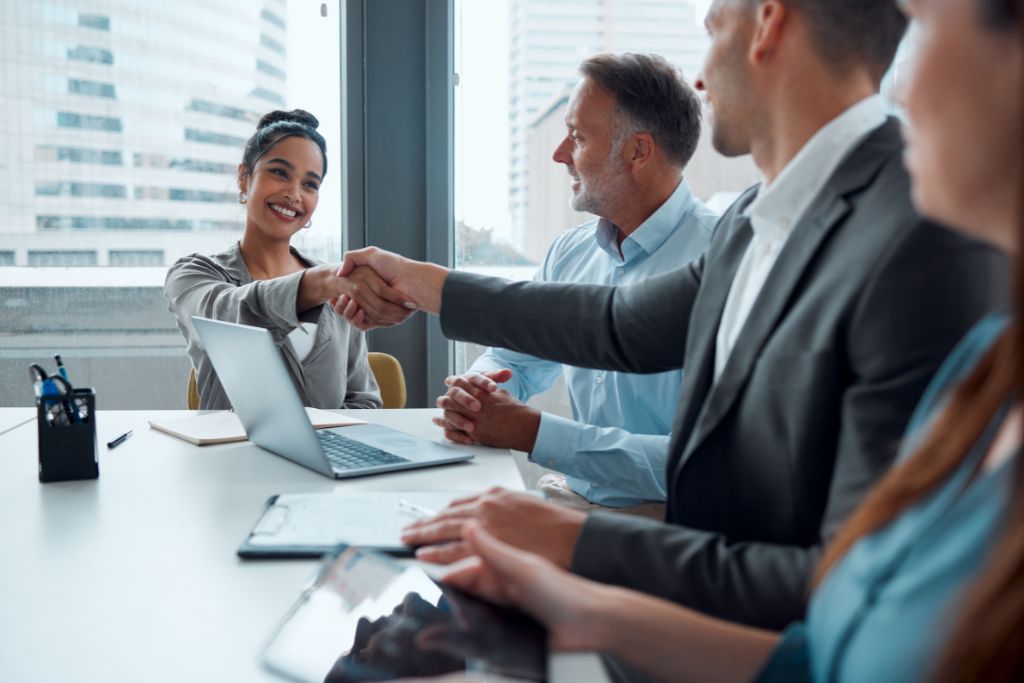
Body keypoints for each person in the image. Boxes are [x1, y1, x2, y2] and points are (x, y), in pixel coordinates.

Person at [335, 0, 1009, 630]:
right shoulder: (754, 217)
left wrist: (577, 543)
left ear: (768, 23)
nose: (700, 73)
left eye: (714, 28)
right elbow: (617, 324)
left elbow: (844, 582)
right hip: (682, 596)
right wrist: (424, 285)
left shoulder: (922, 231)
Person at [438, 53, 717, 511]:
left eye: (577, 137)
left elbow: (703, 463)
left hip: (674, 522)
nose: (559, 155)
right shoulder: (571, 252)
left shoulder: (723, 259)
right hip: (570, 497)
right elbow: (515, 359)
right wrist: (478, 391)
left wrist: (532, 431)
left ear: (638, 151)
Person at [165, 109, 411, 410]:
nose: (294, 194)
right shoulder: (194, 274)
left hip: (330, 455)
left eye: (310, 184)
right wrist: (323, 283)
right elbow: (226, 319)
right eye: (280, 172)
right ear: (244, 179)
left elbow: (363, 399)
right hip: (233, 455)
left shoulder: (337, 285)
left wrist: (331, 444)